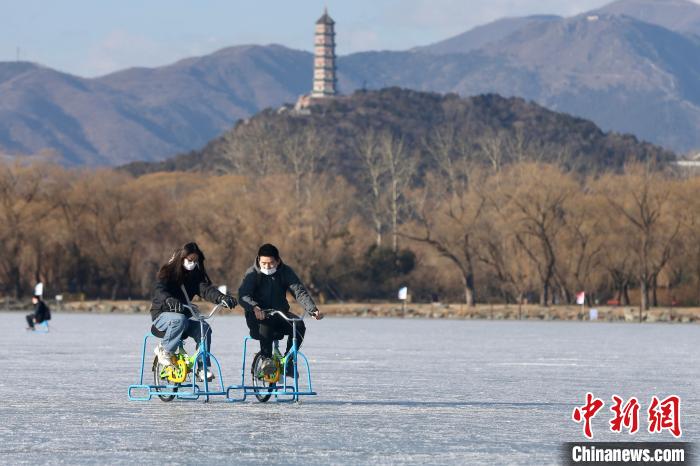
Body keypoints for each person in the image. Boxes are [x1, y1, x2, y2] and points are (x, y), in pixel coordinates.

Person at [150, 242, 237, 381]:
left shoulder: (195, 275)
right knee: (179, 319)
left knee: (204, 328)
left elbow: (206, 290)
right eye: (190, 260)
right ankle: (164, 350)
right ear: (182, 257)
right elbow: (160, 289)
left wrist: (221, 297)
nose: (193, 263)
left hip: (182, 317)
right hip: (162, 316)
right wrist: (169, 300)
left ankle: (202, 368)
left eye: (195, 261)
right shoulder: (168, 272)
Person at [238, 243, 323, 376]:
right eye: (263, 263)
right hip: (258, 318)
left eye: (271, 263)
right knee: (266, 323)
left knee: (298, 325)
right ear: (259, 260)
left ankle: (289, 360)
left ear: (278, 261)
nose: (267, 266)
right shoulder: (252, 273)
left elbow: (298, 291)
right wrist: (254, 307)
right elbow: (243, 295)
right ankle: (266, 360)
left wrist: (312, 309)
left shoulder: (285, 271)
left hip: (280, 315)